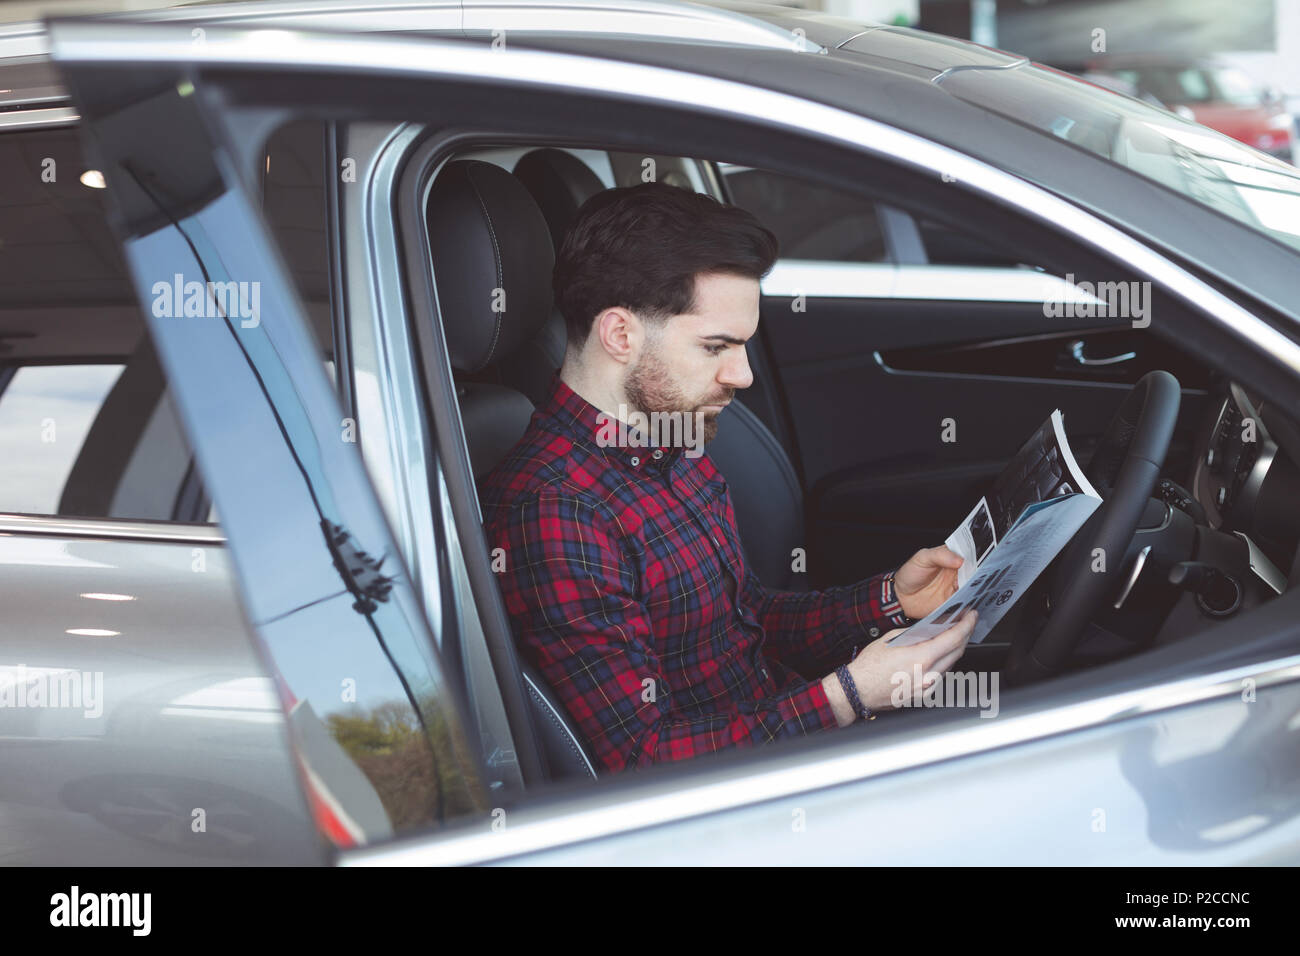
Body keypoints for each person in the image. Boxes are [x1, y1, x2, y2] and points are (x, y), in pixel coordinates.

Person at [480, 180, 977, 773]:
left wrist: (889, 599)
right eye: (717, 346)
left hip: (787, 743)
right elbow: (641, 760)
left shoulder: (672, 437)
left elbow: (746, 621)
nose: (742, 374)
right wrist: (847, 695)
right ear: (620, 334)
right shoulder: (554, 510)